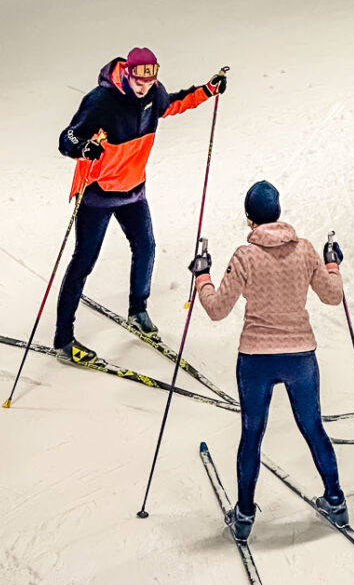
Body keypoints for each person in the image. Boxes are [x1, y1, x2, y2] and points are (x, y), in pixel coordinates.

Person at [189, 180, 348, 541]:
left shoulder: (245, 257)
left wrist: (202, 276)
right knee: (313, 428)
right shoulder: (306, 250)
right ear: (278, 213)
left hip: (256, 360)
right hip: (300, 358)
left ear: (250, 220)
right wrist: (333, 263)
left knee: (252, 433)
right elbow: (333, 295)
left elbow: (216, 309)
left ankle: (244, 516)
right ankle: (336, 502)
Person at [54, 47, 228, 364]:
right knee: (83, 261)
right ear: (128, 73)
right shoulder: (100, 100)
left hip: (133, 189)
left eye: (149, 80)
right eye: (138, 79)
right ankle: (63, 339)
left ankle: (138, 311)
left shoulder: (153, 94)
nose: (143, 86)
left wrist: (207, 90)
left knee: (146, 246)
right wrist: (84, 147)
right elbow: (67, 139)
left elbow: (174, 104)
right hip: (97, 191)